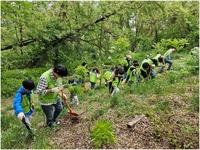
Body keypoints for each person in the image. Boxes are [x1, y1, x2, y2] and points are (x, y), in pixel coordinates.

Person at [36, 64, 68, 129]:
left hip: (55, 97)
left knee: (60, 108)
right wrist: (52, 90)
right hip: (46, 100)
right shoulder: (44, 77)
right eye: (60, 76)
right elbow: (39, 91)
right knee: (49, 115)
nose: (61, 78)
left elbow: (59, 87)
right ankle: (50, 125)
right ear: (55, 72)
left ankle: (53, 120)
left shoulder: (59, 77)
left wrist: (62, 94)